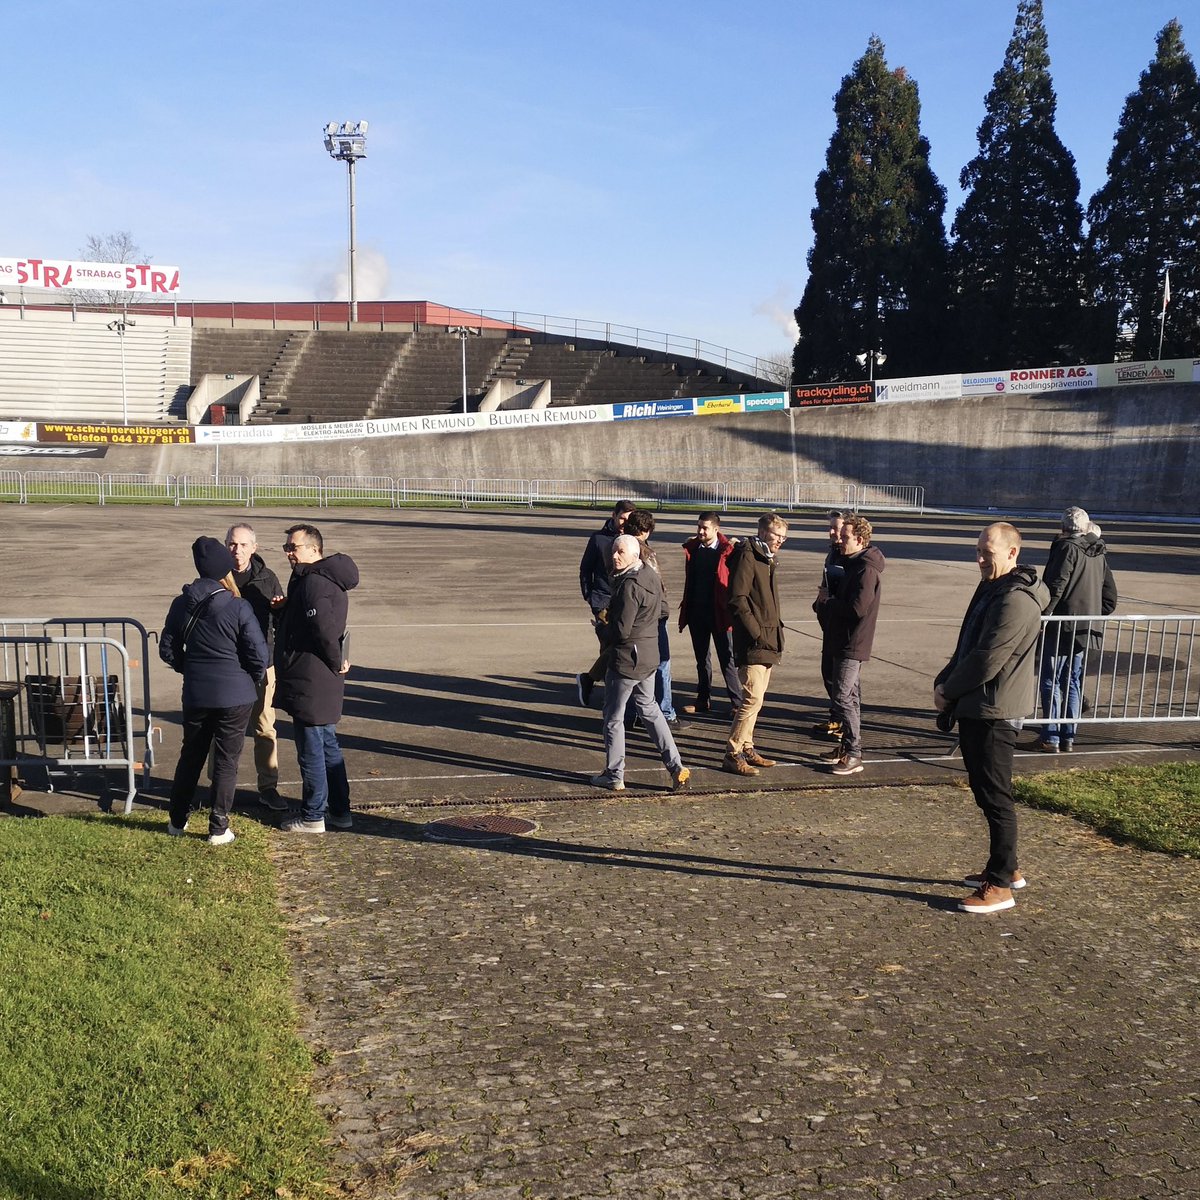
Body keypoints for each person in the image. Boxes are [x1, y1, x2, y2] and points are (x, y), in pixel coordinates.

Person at [934, 522, 1049, 914]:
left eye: (989, 553)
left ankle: (1001, 885)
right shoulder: (993, 587)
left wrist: (948, 690)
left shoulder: (1015, 598)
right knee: (987, 792)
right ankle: (1006, 867)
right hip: (982, 705)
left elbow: (988, 658)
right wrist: (944, 678)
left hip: (994, 710)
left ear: (1013, 553)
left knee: (996, 797)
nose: (981, 559)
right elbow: (969, 641)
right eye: (979, 550)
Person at [160, 537, 268, 845]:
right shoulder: (237, 606)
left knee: (190, 755)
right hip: (235, 696)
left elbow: (167, 648)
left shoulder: (182, 602)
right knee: (226, 761)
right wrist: (249, 677)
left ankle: (177, 820)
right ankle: (218, 826)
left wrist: (188, 667)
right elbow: (258, 655)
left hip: (197, 692)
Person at [275, 523, 359, 834]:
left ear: (314, 549)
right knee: (327, 746)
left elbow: (324, 630)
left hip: (312, 678)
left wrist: (337, 662)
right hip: (319, 678)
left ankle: (313, 815)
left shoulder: (313, 582)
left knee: (312, 749)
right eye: (287, 547)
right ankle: (339, 811)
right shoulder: (318, 580)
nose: (288, 553)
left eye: (293, 547)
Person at [590, 534, 690, 793]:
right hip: (648, 655)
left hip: (627, 659)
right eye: (614, 550)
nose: (615, 555)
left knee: (613, 717)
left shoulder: (629, 586)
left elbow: (621, 631)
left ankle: (614, 773)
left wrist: (602, 629)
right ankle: (676, 767)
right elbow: (664, 610)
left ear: (634, 555)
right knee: (650, 709)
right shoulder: (650, 575)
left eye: (620, 551)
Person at [219, 523, 287, 811]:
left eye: (244, 544)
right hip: (226, 666)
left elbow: (282, 623)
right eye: (233, 544)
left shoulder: (267, 578)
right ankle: (218, 787)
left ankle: (268, 787)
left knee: (265, 727)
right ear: (226, 546)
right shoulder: (216, 578)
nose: (238, 550)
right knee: (221, 729)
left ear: (254, 548)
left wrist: (280, 609)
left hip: (262, 665)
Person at [1036, 505, 1114, 752]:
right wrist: (1093, 614)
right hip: (1084, 628)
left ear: (1063, 527)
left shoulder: (1067, 548)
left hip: (1062, 626)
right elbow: (1109, 596)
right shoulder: (1098, 552)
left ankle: (1051, 736)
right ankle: (1068, 736)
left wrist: (1043, 616)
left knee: (1051, 680)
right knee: (1072, 681)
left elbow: (1056, 586)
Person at [812, 513, 885, 775]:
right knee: (848, 695)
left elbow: (857, 609)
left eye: (845, 537)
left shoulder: (866, 569)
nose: (840, 540)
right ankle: (847, 748)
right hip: (840, 637)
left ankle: (854, 753)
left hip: (852, 641)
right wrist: (825, 597)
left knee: (842, 696)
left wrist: (830, 602)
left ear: (860, 539)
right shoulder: (850, 563)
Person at [722, 513, 788, 777]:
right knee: (751, 699)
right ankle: (733, 752)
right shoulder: (748, 555)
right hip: (753, 642)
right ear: (762, 532)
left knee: (757, 701)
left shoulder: (766, 557)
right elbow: (737, 598)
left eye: (784, 537)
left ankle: (748, 747)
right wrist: (757, 632)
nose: (780, 541)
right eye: (776, 536)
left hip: (768, 640)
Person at [678, 511, 743, 717]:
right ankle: (703, 699)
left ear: (716, 529)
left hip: (719, 613)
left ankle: (737, 702)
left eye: (705, 528)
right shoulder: (694, 549)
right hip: (697, 612)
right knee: (701, 658)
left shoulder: (728, 550)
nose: (700, 531)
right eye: (698, 527)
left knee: (727, 658)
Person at [624, 509, 683, 729]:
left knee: (631, 664)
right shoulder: (645, 552)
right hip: (651, 616)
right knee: (661, 663)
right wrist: (663, 612)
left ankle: (631, 713)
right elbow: (657, 586)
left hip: (632, 616)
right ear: (646, 530)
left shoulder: (620, 548)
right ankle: (665, 712)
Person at [576, 499, 637, 705]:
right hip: (603, 601)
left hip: (626, 600)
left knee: (619, 646)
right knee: (610, 645)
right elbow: (585, 569)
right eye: (621, 518)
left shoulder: (632, 540)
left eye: (628, 520)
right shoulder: (598, 539)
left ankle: (591, 680)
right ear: (613, 515)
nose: (624, 523)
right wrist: (590, 597)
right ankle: (609, 696)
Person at [812, 509, 848, 738]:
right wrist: (819, 603)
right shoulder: (833, 553)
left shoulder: (852, 556)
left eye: (836, 528)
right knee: (828, 672)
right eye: (831, 527)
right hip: (830, 622)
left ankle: (846, 721)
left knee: (844, 678)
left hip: (844, 625)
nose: (831, 532)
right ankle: (836, 716)